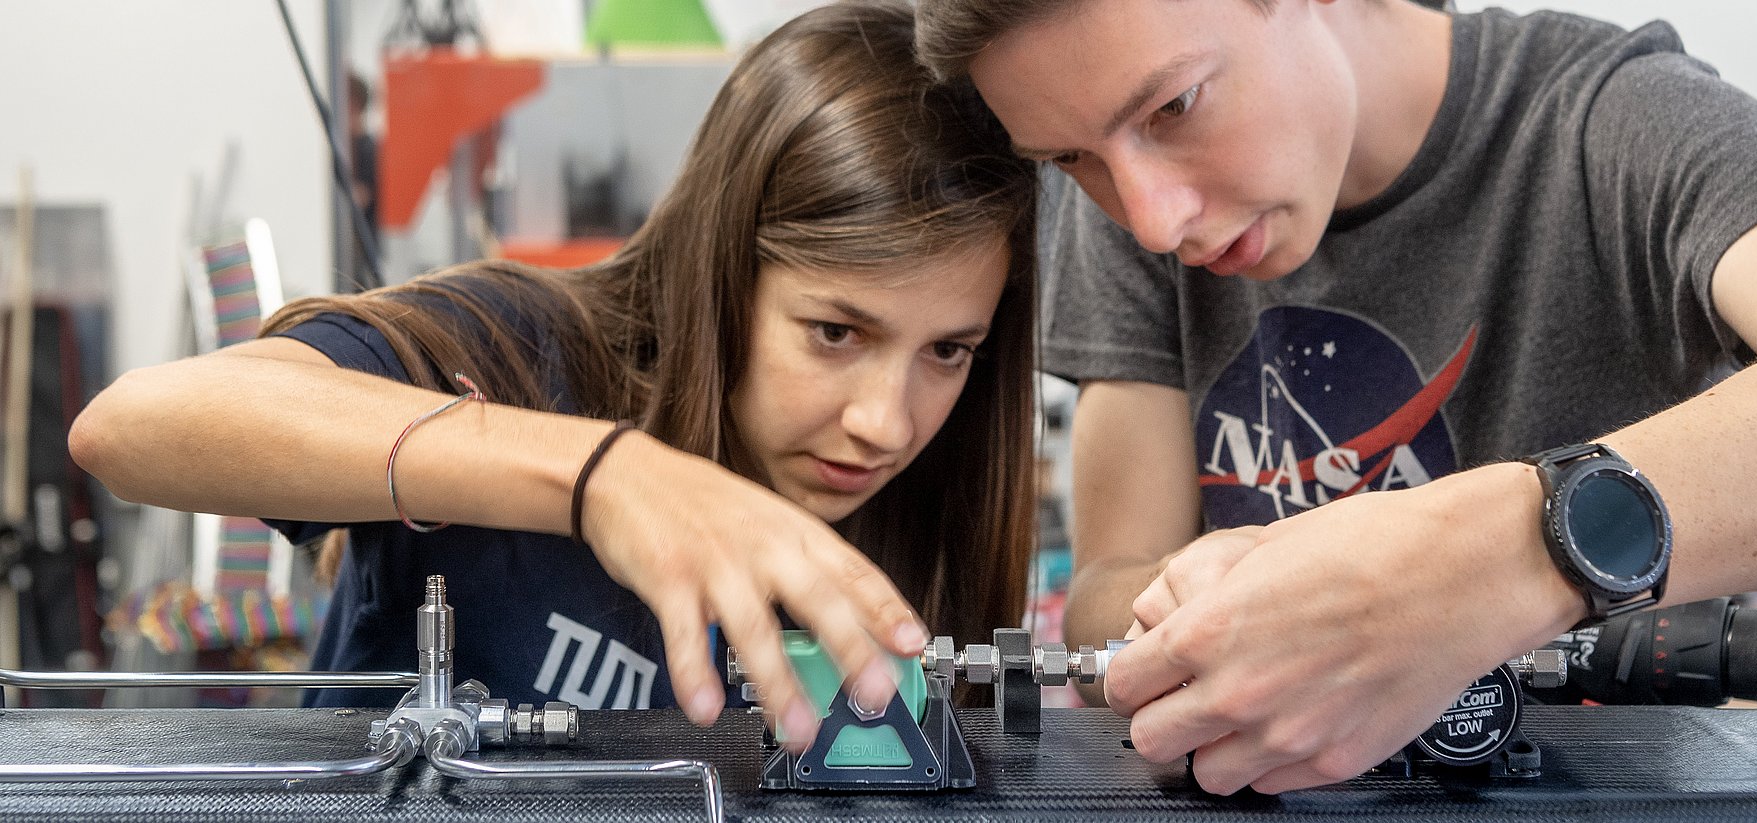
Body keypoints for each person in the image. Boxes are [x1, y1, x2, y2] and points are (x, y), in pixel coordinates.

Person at [916, 0, 1757, 794]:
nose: (1149, 216)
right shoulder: (1130, 219)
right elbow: (1109, 583)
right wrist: (1198, 602)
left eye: (1173, 107)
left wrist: (1491, 558)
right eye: (1071, 160)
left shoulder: (1615, 123)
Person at [70, 0, 1036, 756]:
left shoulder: (931, 520)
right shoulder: (517, 344)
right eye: (833, 331)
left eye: (948, 351)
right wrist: (602, 476)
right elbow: (129, 426)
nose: (885, 422)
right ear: (721, 268)